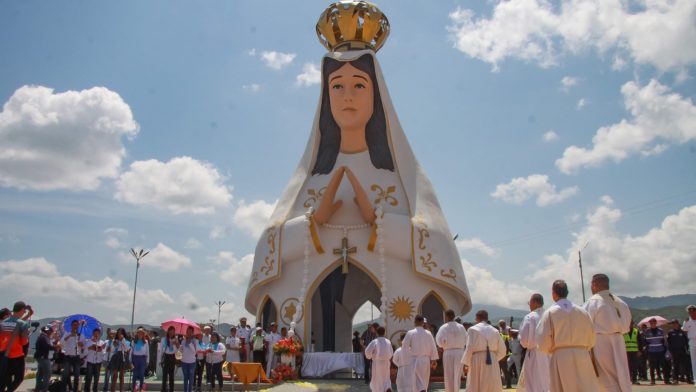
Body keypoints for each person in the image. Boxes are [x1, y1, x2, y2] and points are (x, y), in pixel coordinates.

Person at [537, 279, 599, 392]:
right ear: (567, 292)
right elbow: (592, 336)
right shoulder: (583, 312)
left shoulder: (550, 312)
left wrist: (551, 350)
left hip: (561, 355)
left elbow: (543, 339)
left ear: (553, 293)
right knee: (585, 387)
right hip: (582, 354)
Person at [583, 273, 632, 392]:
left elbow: (584, 325)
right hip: (619, 340)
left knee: (605, 376)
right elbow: (627, 326)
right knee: (621, 374)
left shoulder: (593, 302)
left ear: (594, 285)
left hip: (601, 342)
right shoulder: (621, 302)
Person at [460, 310, 505, 392]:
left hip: (477, 359)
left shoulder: (472, 330)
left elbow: (469, 347)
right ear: (487, 318)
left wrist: (465, 363)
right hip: (492, 360)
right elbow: (502, 350)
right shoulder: (495, 331)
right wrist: (494, 358)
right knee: (491, 382)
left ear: (477, 318)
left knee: (476, 383)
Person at [517, 293, 549, 392]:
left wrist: (522, 340)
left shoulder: (530, 317)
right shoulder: (549, 314)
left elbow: (524, 340)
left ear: (534, 302)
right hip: (550, 353)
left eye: (529, 303)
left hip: (534, 354)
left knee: (533, 382)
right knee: (548, 381)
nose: (529, 306)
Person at [402, 315, 439, 392]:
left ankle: (422, 390)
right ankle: (423, 389)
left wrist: (405, 359)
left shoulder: (410, 333)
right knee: (424, 380)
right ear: (423, 322)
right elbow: (433, 347)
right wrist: (434, 360)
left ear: (415, 322)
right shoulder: (428, 333)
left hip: (414, 360)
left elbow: (404, 347)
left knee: (416, 382)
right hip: (425, 360)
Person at [0, 302, 31, 392]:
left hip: (4, 355)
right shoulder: (23, 324)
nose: (24, 312)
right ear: (22, 310)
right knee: (19, 378)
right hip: (17, 355)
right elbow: (24, 341)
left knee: (5, 378)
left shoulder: (3, 323)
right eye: (24, 311)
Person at [435, 309, 467, 392]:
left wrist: (444, 345)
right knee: (457, 374)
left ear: (446, 316)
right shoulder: (461, 327)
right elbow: (467, 340)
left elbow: (439, 341)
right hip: (460, 352)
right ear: (454, 316)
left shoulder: (443, 327)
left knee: (448, 374)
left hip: (448, 352)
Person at [364, 326, 393, 392]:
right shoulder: (388, 342)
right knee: (386, 377)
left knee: (377, 378)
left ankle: (378, 390)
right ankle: (387, 388)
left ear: (376, 333)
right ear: (384, 333)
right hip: (386, 362)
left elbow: (367, 352)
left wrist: (370, 356)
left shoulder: (374, 342)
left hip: (377, 363)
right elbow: (391, 353)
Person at [61, 319, 85, 392]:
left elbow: (83, 347)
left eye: (77, 325)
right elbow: (62, 341)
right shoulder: (67, 333)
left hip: (76, 357)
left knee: (77, 374)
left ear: (78, 326)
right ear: (71, 326)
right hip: (68, 356)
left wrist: (81, 344)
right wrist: (70, 335)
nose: (75, 326)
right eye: (74, 325)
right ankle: (63, 389)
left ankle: (75, 389)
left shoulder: (81, 335)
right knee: (65, 374)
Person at [644, 318, 670, 384]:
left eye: (653, 322)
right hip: (651, 351)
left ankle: (666, 380)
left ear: (656, 323)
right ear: (650, 324)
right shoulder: (647, 331)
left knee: (664, 366)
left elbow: (664, 341)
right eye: (651, 323)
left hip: (660, 350)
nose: (652, 323)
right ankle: (652, 380)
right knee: (652, 366)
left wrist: (666, 349)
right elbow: (646, 341)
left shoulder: (661, 331)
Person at [108, 328, 131, 392]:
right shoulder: (115, 340)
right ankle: (112, 390)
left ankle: (121, 390)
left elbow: (127, 349)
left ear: (123, 334)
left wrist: (123, 340)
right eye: (118, 333)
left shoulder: (126, 341)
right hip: (115, 357)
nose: (119, 334)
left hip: (122, 357)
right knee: (114, 375)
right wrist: (114, 345)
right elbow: (112, 350)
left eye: (121, 333)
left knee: (121, 375)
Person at [667, 319, 690, 384]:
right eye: (673, 324)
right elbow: (669, 342)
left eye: (675, 323)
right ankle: (675, 379)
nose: (674, 325)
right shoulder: (670, 332)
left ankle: (688, 379)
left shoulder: (682, 332)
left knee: (685, 365)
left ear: (677, 323)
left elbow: (686, 341)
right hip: (674, 351)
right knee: (675, 366)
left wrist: (687, 349)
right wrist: (670, 351)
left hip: (682, 350)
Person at [158, 326, 179, 392]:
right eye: (171, 331)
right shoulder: (163, 339)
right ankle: (163, 389)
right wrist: (159, 360)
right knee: (164, 375)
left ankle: (171, 389)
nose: (172, 333)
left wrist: (175, 344)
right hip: (166, 357)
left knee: (171, 376)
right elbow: (161, 350)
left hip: (172, 357)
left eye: (173, 332)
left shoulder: (176, 339)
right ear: (168, 331)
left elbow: (177, 351)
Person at [35, 325, 54, 392]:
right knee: (47, 374)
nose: (52, 332)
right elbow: (48, 346)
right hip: (43, 357)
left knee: (40, 374)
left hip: (39, 357)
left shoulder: (41, 336)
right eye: (51, 331)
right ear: (48, 331)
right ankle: (44, 389)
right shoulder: (44, 337)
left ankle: (37, 389)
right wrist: (56, 347)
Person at [180, 326, 200, 392]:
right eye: (187, 332)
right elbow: (180, 351)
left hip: (192, 362)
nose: (188, 333)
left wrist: (190, 343)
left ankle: (190, 390)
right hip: (184, 362)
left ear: (192, 333)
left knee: (191, 378)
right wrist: (177, 346)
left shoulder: (195, 341)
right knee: (185, 378)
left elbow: (195, 352)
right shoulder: (183, 341)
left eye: (190, 332)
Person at [130, 327, 150, 392]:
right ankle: (133, 389)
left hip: (142, 359)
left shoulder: (146, 342)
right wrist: (130, 362)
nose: (140, 334)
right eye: (139, 333)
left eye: (141, 333)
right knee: (135, 375)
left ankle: (141, 389)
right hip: (135, 359)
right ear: (137, 334)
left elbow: (147, 352)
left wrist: (147, 361)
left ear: (143, 334)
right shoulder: (133, 341)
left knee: (142, 374)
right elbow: (131, 352)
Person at [623, 319, 640, 385]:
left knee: (634, 366)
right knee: (627, 366)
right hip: (626, 352)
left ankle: (634, 379)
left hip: (634, 351)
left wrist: (640, 350)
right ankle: (628, 379)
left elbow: (640, 341)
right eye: (629, 323)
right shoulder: (624, 331)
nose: (630, 325)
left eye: (631, 323)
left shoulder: (636, 331)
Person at [683, 305, 696, 384]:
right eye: (689, 312)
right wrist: (686, 322)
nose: (691, 313)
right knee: (694, 362)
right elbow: (684, 330)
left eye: (693, 311)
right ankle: (695, 380)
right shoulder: (687, 321)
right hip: (692, 341)